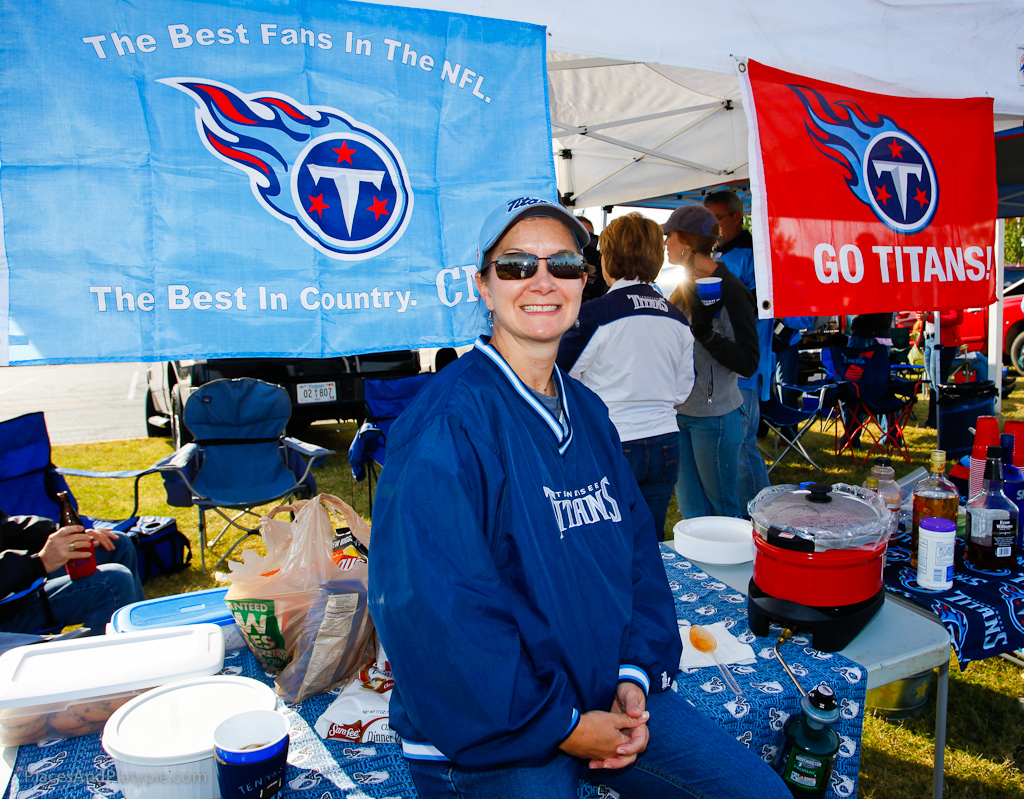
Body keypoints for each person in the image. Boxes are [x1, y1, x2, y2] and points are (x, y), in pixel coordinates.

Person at [368, 197, 789, 799]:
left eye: (563, 264)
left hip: (599, 690)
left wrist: (635, 673)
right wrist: (562, 727)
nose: (542, 280)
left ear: (584, 281)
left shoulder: (589, 411)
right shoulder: (448, 425)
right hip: (492, 730)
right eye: (515, 265)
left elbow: (638, 555)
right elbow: (438, 613)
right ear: (483, 287)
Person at [557, 212, 694, 538]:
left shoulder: (594, 315)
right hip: (665, 443)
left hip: (613, 440)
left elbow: (559, 377)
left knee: (609, 541)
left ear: (610, 259)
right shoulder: (677, 317)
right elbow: (682, 391)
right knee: (652, 541)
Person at [665, 206, 759, 520]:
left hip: (715, 417)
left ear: (687, 244)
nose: (666, 243)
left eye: (670, 236)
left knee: (722, 513)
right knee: (692, 512)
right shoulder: (683, 287)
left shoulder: (731, 290)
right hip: (681, 415)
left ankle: (729, 571)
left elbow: (748, 361)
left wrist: (705, 334)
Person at [703, 191, 771, 513]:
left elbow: (764, 307)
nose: (711, 227)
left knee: (743, 447)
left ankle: (761, 519)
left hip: (743, 368)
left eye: (716, 218)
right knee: (735, 447)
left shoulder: (754, 255)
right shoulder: (718, 255)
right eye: (707, 220)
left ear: (736, 217)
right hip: (718, 370)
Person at [0, 510, 145, 635]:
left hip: (13, 589)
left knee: (116, 544)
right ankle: (106, 658)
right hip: (6, 615)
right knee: (112, 581)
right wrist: (40, 562)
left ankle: (143, 634)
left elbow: (8, 527)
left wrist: (68, 536)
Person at [919, 309, 964, 427]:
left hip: (944, 343)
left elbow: (957, 318)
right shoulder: (931, 293)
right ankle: (934, 420)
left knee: (938, 384)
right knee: (933, 384)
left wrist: (929, 318)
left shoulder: (951, 292)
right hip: (929, 339)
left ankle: (940, 420)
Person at [576, 215, 608, 303]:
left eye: (590, 238)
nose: (586, 243)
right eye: (581, 236)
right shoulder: (559, 262)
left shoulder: (601, 264)